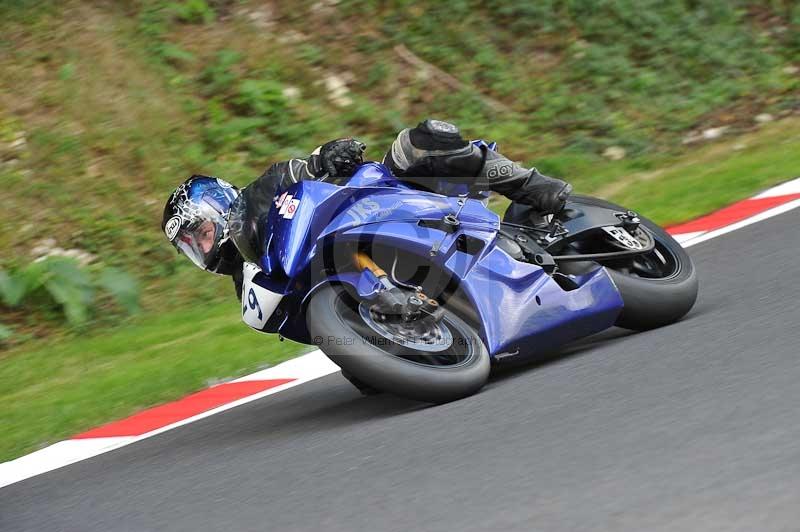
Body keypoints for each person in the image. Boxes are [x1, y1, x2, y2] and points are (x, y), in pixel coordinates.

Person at [161, 119, 572, 298]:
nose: (200, 245)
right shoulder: (247, 286)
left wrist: (330, 157)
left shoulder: (262, 191)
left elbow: (306, 166)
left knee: (421, 141)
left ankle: (534, 187)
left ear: (216, 208)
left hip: (379, 204)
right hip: (355, 271)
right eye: (190, 245)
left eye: (200, 232)